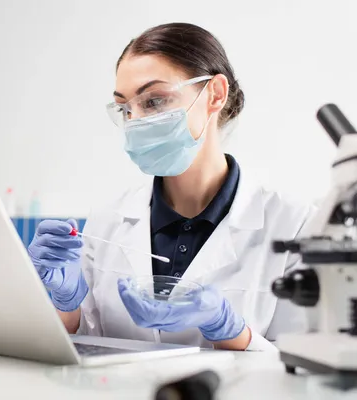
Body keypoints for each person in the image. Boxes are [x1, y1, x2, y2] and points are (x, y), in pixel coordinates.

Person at [28, 23, 313, 351]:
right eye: (125, 108)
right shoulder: (107, 220)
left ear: (215, 95)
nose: (135, 121)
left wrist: (230, 331)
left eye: (154, 101)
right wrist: (66, 303)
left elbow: (304, 373)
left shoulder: (295, 226)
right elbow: (85, 342)